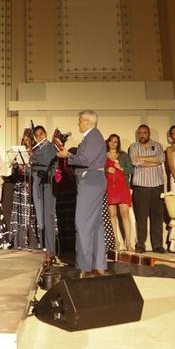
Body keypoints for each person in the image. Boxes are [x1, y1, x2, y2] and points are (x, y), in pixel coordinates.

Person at [64, 110, 107, 276]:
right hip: (93, 181)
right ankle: (99, 265)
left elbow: (85, 160)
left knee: (81, 223)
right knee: (95, 225)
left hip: (90, 181)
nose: (78, 124)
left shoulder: (93, 136)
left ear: (87, 122)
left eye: (80, 121)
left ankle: (83, 266)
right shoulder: (92, 137)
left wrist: (67, 155)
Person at [127, 124, 167, 253]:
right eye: (139, 133)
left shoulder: (158, 145)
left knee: (157, 217)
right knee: (141, 218)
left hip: (157, 186)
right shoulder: (133, 147)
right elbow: (135, 162)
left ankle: (157, 245)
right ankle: (140, 245)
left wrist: (143, 159)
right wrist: (152, 160)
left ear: (149, 134)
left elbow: (160, 159)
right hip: (140, 187)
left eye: (144, 133)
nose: (142, 135)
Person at [105, 133, 136, 252]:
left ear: (118, 144)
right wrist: (107, 170)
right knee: (112, 215)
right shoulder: (103, 155)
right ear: (108, 142)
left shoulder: (123, 155)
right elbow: (98, 169)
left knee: (124, 214)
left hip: (122, 186)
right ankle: (116, 242)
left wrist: (121, 168)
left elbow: (131, 169)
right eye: (111, 141)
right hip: (109, 187)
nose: (113, 143)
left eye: (116, 141)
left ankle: (128, 242)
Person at [30, 125, 57, 261]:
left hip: (48, 184)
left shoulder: (51, 146)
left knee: (48, 217)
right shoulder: (37, 149)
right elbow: (33, 167)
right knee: (40, 216)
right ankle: (44, 248)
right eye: (37, 135)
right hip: (38, 183)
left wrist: (32, 159)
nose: (39, 137)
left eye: (41, 134)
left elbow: (47, 162)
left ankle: (51, 250)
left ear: (45, 133)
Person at [8, 128, 39, 250]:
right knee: (20, 215)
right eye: (24, 140)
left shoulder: (35, 152)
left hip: (30, 186)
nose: (26, 142)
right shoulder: (20, 153)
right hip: (20, 186)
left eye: (28, 140)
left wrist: (25, 167)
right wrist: (16, 166)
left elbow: (36, 171)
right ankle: (19, 242)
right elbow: (14, 173)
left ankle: (32, 242)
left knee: (30, 215)